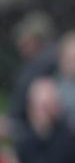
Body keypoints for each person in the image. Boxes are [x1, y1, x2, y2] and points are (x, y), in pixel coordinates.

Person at [1, 10, 57, 139]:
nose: (21, 45)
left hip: (32, 128)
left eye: (26, 40)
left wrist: (12, 123)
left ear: (37, 40)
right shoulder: (35, 63)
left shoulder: (42, 64)